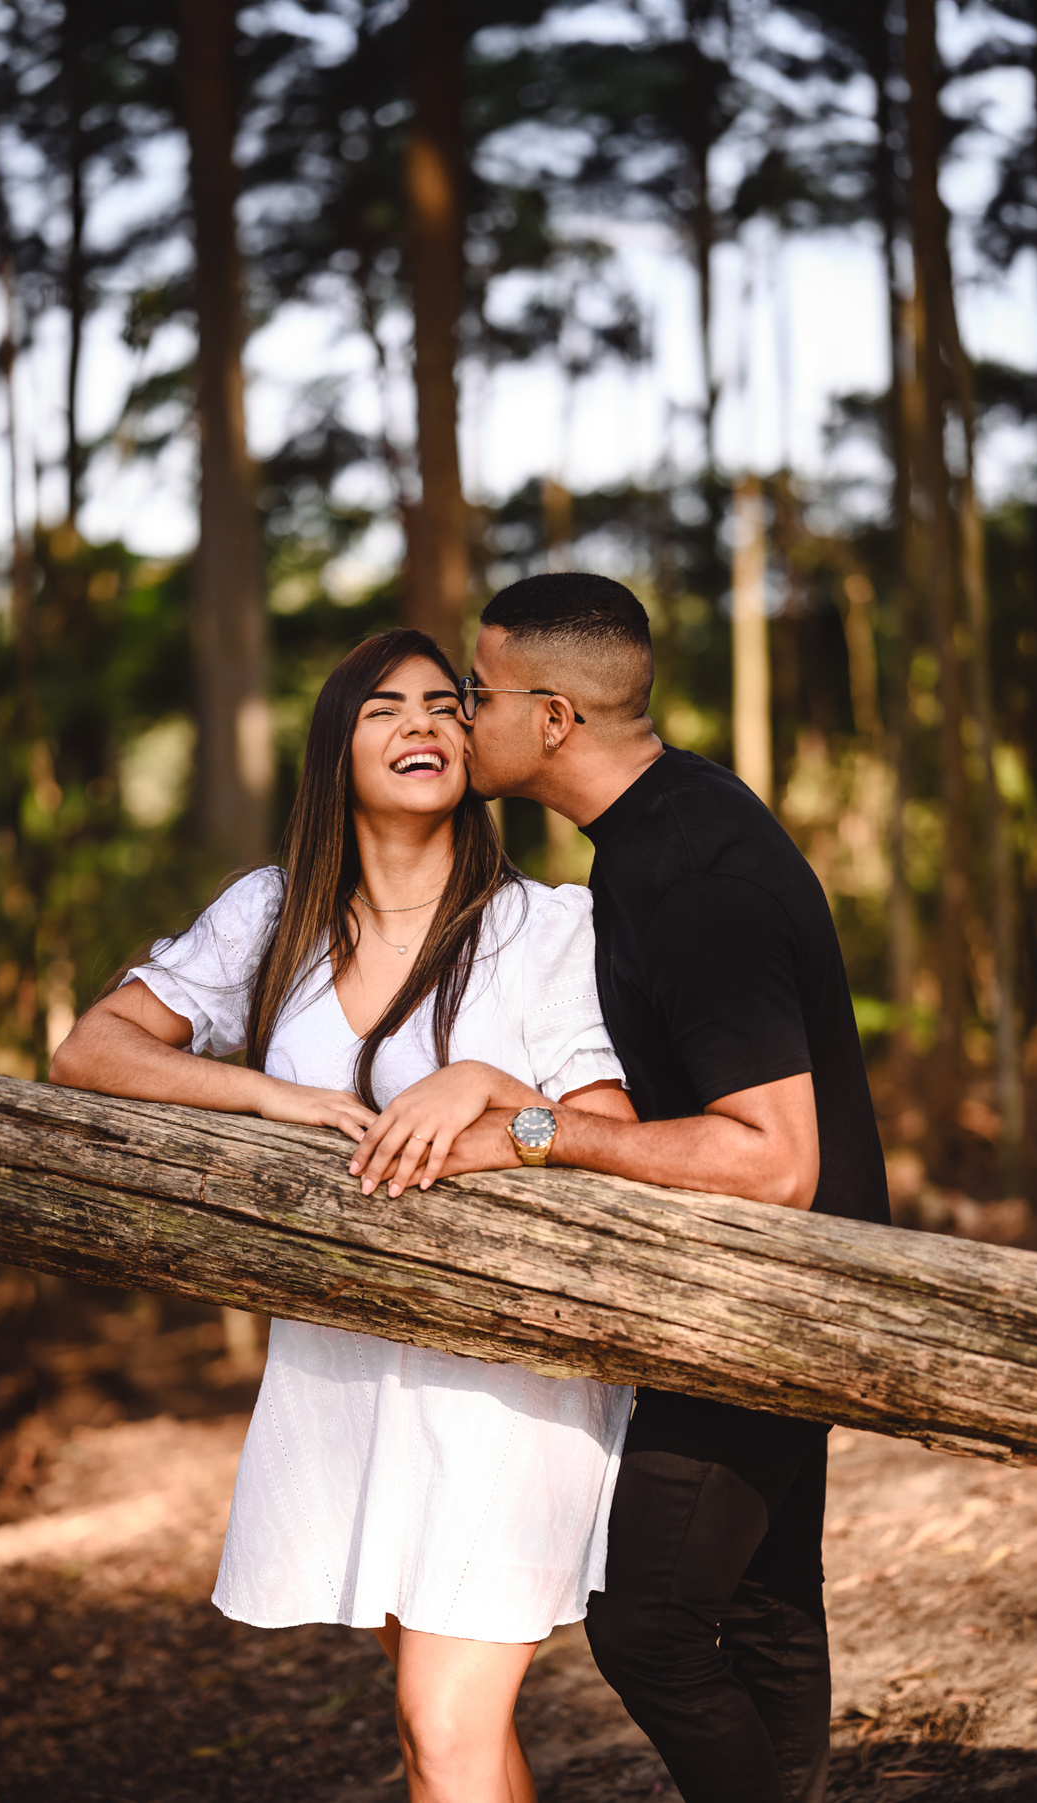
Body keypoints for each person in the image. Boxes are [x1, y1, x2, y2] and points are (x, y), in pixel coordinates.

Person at [49, 627, 636, 1803]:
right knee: (441, 1734)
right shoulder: (272, 915)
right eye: (383, 709)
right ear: (334, 750)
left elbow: (607, 1130)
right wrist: (264, 1086)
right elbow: (91, 1051)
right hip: (341, 1366)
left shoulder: (541, 926)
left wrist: (484, 1083)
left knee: (445, 1722)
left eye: (442, 705)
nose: (421, 724)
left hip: (505, 1376)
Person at [351, 576, 891, 1803]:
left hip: (776, 1301)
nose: (458, 716)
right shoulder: (669, 829)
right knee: (761, 1605)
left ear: (549, 718)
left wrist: (530, 1131)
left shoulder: (691, 868)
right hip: (772, 1291)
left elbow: (772, 1157)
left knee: (646, 1624)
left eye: (476, 695)